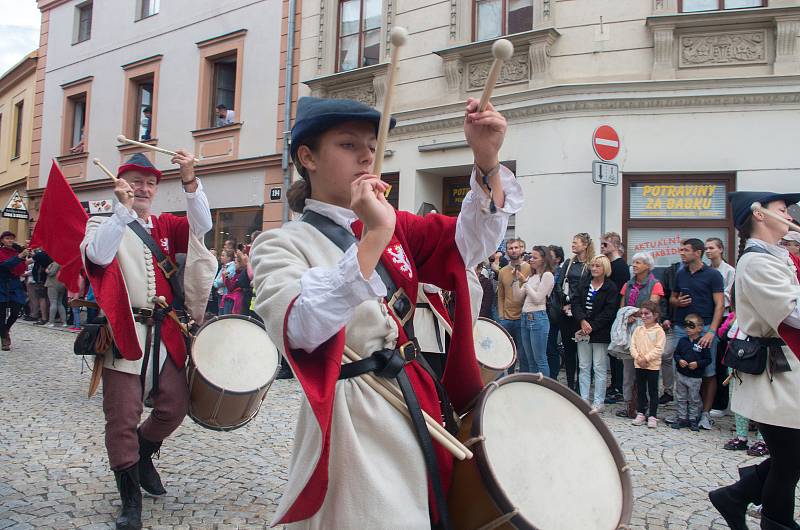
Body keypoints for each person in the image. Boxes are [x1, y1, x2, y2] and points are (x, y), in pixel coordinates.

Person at [249, 96, 521, 528]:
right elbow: (299, 327)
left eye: (371, 146)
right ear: (307, 157)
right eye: (347, 144)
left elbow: (472, 243)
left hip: (416, 397)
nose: (365, 155)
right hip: (354, 417)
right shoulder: (280, 244)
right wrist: (375, 233)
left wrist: (486, 161)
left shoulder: (395, 224)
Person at [81, 151, 213, 530]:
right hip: (124, 331)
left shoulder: (166, 225)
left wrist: (190, 181)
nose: (143, 187)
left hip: (166, 329)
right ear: (120, 183)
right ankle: (130, 498)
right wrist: (121, 213)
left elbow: (202, 225)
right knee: (121, 416)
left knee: (175, 405)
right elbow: (98, 256)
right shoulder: (102, 221)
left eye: (150, 182)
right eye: (136, 180)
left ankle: (141, 454)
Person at [709, 191, 800, 530]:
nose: (789, 214)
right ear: (759, 215)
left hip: (787, 368)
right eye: (781, 209)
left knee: (790, 458)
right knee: (789, 460)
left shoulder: (776, 256)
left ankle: (734, 496)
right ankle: (775, 522)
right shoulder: (757, 261)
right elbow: (794, 314)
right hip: (774, 370)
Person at [670, 238, 724, 430]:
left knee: (707, 372)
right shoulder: (680, 273)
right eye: (681, 249)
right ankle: (683, 414)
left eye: (685, 250)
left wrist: (712, 331)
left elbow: (720, 305)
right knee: (682, 369)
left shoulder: (713, 275)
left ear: (697, 252)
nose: (681, 253)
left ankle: (705, 414)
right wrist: (677, 303)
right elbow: (672, 297)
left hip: (705, 327)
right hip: (681, 328)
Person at [616, 252, 664, 418]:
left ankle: (648, 409)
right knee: (628, 370)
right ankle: (629, 404)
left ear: (647, 266)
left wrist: (635, 314)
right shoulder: (627, 285)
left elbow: (651, 307)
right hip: (629, 328)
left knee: (648, 370)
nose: (634, 265)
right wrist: (626, 315)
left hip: (647, 328)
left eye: (638, 262)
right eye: (633, 262)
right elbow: (622, 308)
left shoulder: (655, 284)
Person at [571, 255, 619, 411]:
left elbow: (609, 311)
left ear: (605, 268)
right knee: (584, 365)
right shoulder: (584, 284)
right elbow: (576, 303)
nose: (594, 268)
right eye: (592, 265)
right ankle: (584, 398)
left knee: (599, 366)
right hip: (582, 329)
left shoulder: (610, 287)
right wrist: (582, 321)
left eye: (598, 266)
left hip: (600, 331)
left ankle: (599, 400)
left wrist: (592, 326)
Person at [556, 233, 594, 391]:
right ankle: (570, 384)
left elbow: (591, 287)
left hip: (583, 313)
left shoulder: (592, 264)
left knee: (583, 352)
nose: (573, 245)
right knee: (569, 349)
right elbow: (558, 283)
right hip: (566, 312)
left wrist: (576, 306)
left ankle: (583, 384)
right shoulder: (569, 263)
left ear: (585, 245)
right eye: (572, 242)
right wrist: (565, 301)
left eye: (576, 242)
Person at [706, 237, 735, 417]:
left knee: (720, 361)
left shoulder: (729, 271)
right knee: (708, 361)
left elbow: (728, 296)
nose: (708, 251)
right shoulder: (707, 270)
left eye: (712, 248)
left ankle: (722, 403)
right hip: (708, 316)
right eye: (707, 248)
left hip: (723, 317)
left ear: (721, 249)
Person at [601, 232, 630, 403]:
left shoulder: (620, 266)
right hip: (606, 312)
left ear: (615, 245)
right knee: (611, 353)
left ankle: (618, 387)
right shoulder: (608, 264)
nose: (603, 247)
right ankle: (614, 384)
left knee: (617, 352)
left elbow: (621, 292)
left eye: (606, 244)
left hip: (614, 313)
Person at [517, 246, 555, 375]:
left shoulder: (547, 275)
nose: (531, 260)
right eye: (530, 257)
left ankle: (544, 388)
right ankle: (535, 388)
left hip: (537, 317)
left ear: (544, 259)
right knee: (530, 359)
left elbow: (538, 298)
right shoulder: (532, 276)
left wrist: (525, 283)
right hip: (525, 317)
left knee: (540, 359)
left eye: (534, 257)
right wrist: (517, 280)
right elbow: (518, 297)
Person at [671, 313, 711, 431]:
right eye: (686, 325)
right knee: (681, 397)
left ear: (699, 328)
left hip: (695, 377)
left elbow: (708, 359)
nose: (687, 328)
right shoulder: (682, 341)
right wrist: (679, 360)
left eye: (691, 326)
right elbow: (676, 354)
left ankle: (693, 418)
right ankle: (682, 417)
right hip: (681, 374)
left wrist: (698, 364)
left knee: (694, 398)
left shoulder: (703, 343)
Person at [629, 301, 665, 428]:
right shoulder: (638, 330)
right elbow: (632, 345)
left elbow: (659, 348)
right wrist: (638, 357)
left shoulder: (659, 331)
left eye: (646, 313)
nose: (643, 316)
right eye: (641, 314)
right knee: (641, 389)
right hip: (639, 364)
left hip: (652, 366)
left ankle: (653, 415)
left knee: (653, 390)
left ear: (655, 315)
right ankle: (641, 412)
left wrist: (647, 358)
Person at [497, 238, 530, 366]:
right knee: (506, 354)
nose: (514, 250)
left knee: (523, 354)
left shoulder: (529, 268)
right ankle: (506, 381)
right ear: (506, 251)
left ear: (521, 249)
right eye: (510, 248)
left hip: (523, 317)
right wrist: (501, 315)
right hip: (506, 318)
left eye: (516, 247)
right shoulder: (502, 271)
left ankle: (522, 381)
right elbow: (500, 295)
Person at [0, 231, 30, 350]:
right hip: (1, 284)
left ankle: (5, 330)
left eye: (12, 238)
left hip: (15, 284)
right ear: (2, 240)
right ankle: (4, 339)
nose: (10, 241)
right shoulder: (1, 252)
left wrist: (27, 259)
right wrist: (19, 257)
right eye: (7, 238)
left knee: (16, 310)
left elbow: (21, 267)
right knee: (1, 315)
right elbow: (4, 265)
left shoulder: (16, 252)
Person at [547, 245, 564, 379]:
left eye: (550, 255)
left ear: (557, 259)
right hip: (545, 312)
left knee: (551, 346)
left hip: (553, 314)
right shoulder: (545, 271)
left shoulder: (558, 274)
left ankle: (553, 376)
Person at [44, 261, 68, 327]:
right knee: (60, 303)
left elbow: (51, 273)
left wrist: (46, 270)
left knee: (53, 302)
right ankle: (64, 322)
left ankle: (51, 322)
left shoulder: (56, 263)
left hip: (53, 284)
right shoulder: (65, 262)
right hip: (62, 284)